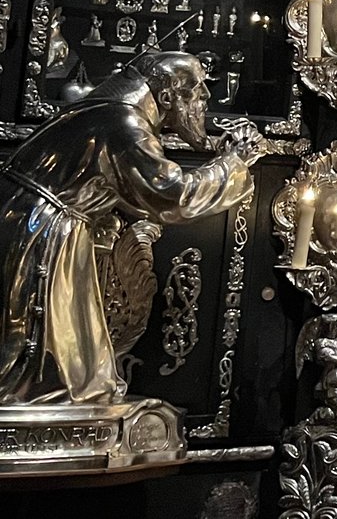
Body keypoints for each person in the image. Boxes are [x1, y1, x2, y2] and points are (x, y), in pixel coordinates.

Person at [0, 52, 257, 403]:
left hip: (34, 221)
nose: (203, 107)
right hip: (40, 233)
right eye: (197, 95)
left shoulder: (103, 111)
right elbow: (173, 196)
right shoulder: (125, 123)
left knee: (73, 364)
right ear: (166, 96)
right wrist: (234, 164)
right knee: (49, 370)